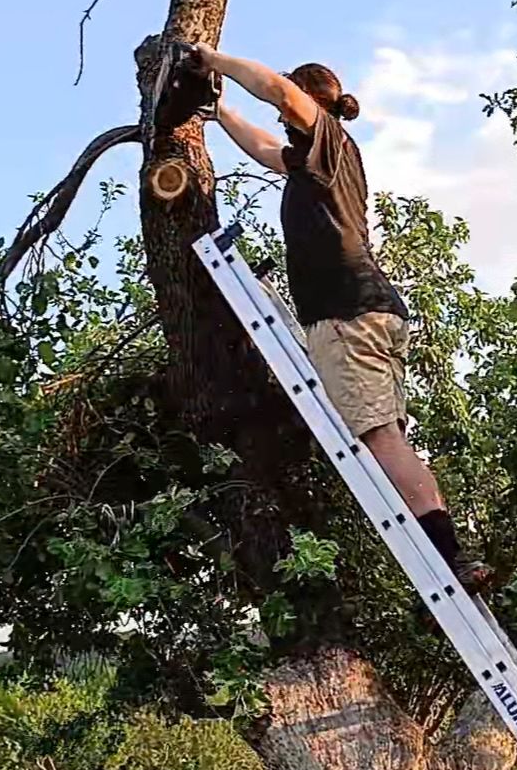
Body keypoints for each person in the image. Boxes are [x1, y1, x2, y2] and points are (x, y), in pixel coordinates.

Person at [190, 43, 489, 592]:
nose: (280, 116)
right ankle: (451, 554)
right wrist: (222, 113)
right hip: (367, 311)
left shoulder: (328, 138)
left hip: (349, 316)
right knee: (387, 434)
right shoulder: (314, 161)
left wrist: (212, 59)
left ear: (309, 102)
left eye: (289, 109)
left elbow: (280, 92)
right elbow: (265, 150)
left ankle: (452, 559)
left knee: (380, 439)